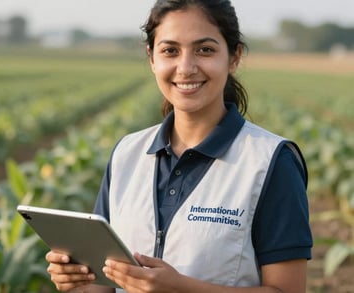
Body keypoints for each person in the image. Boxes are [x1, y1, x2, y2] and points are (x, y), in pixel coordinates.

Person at [46, 0, 313, 292]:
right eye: (170, 51)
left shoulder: (271, 162)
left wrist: (181, 288)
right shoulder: (126, 153)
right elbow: (106, 284)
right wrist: (77, 280)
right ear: (151, 58)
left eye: (205, 50)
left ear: (234, 57)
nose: (185, 68)